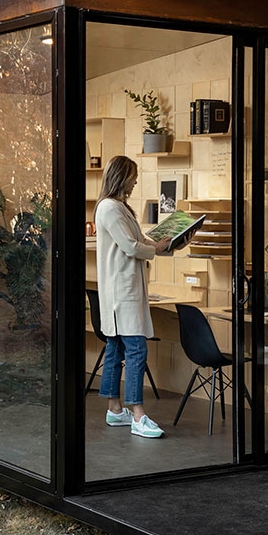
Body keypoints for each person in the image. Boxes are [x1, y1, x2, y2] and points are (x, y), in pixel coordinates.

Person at [94, 155, 172, 438]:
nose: (136, 181)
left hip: (123, 291)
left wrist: (165, 245)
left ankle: (115, 410)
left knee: (115, 349)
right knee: (137, 349)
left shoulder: (118, 207)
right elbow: (130, 246)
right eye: (133, 176)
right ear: (122, 177)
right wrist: (156, 249)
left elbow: (139, 240)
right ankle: (138, 415)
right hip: (121, 293)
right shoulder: (110, 208)